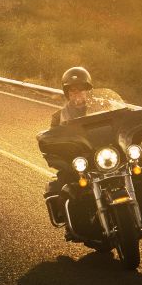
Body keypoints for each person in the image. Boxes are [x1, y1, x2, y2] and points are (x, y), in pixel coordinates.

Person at [45, 66, 95, 221]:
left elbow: (120, 117)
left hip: (102, 153)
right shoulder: (58, 117)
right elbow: (52, 139)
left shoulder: (102, 107)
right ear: (67, 94)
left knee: (135, 166)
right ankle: (73, 220)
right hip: (78, 159)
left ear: (88, 90)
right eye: (72, 91)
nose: (77, 94)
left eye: (80, 89)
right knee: (63, 182)